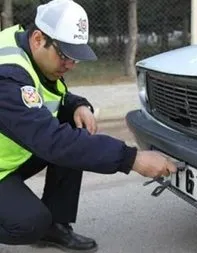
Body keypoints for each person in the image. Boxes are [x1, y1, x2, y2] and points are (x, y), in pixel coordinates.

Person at [0, 0, 177, 252]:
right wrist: (131, 159)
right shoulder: (7, 76)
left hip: (8, 158)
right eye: (65, 55)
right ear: (39, 39)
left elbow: (46, 95)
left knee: (74, 128)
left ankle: (56, 227)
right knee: (29, 223)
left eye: (76, 57)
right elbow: (51, 140)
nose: (71, 65)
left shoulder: (27, 51)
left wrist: (77, 105)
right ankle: (42, 227)